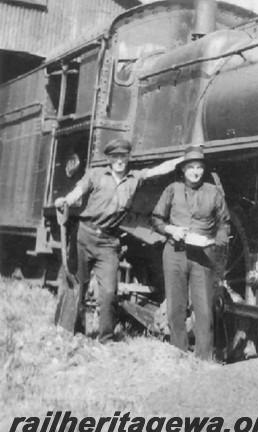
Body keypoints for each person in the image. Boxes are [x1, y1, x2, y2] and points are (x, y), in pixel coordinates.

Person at [54, 139, 184, 343]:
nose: (119, 161)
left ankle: (105, 338)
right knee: (76, 285)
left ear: (128, 158)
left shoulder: (134, 178)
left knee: (109, 291)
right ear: (109, 159)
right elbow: (79, 190)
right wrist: (66, 201)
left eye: (123, 157)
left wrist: (183, 159)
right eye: (116, 157)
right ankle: (66, 334)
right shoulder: (96, 174)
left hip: (108, 241)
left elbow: (157, 170)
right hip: (84, 235)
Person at [151, 145, 230, 360]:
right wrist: (171, 229)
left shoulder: (213, 192)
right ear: (183, 169)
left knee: (204, 309)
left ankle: (204, 360)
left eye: (199, 167)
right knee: (176, 308)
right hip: (175, 253)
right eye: (191, 167)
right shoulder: (171, 190)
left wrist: (220, 238)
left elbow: (224, 222)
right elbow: (156, 219)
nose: (195, 171)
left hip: (202, 255)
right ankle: (179, 354)